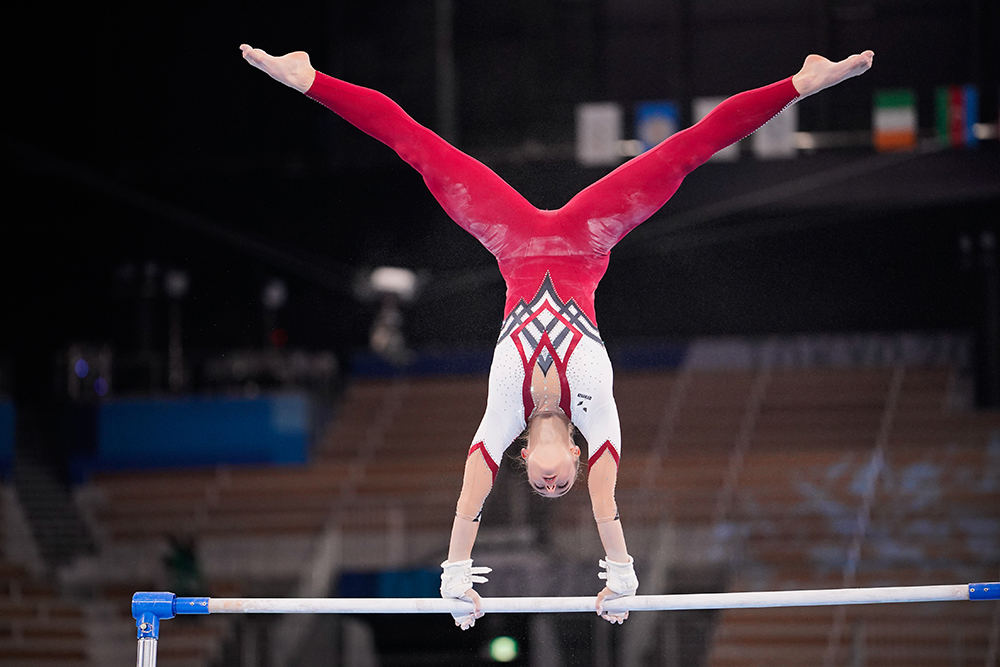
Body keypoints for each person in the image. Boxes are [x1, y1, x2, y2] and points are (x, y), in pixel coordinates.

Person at [240, 43, 874, 629]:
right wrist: (622, 574)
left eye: (540, 486)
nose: (551, 486)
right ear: (575, 457)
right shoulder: (597, 415)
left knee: (421, 149)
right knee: (684, 151)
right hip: (590, 235)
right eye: (561, 483)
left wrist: (456, 573)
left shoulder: (504, 415)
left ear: (523, 459)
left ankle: (309, 78)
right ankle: (799, 83)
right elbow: (606, 506)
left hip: (511, 240)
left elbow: (470, 495)